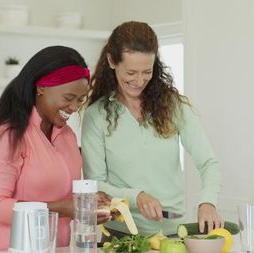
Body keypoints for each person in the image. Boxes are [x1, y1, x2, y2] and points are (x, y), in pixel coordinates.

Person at [81, 21, 223, 237]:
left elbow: (208, 162)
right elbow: (96, 183)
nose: (139, 81)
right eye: (131, 72)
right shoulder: (97, 115)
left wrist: (208, 202)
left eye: (147, 71)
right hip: (120, 235)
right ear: (111, 60)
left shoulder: (174, 106)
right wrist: (136, 196)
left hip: (173, 233)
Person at [0, 46, 111, 252]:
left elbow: (63, 193)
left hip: (58, 248)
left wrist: (89, 203)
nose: (74, 108)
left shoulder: (68, 137)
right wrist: (62, 208)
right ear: (41, 87)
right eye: (68, 98)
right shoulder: (8, 136)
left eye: (80, 100)